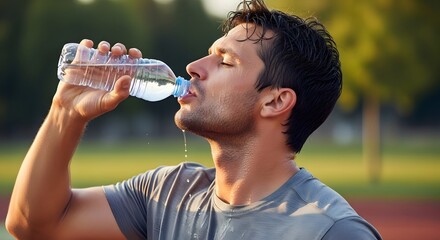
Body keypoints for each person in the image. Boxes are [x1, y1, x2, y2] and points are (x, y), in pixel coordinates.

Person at [6, 0, 382, 239]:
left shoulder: (330, 231)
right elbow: (33, 223)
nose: (193, 68)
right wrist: (66, 112)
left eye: (225, 62)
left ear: (275, 101)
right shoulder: (167, 194)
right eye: (209, 55)